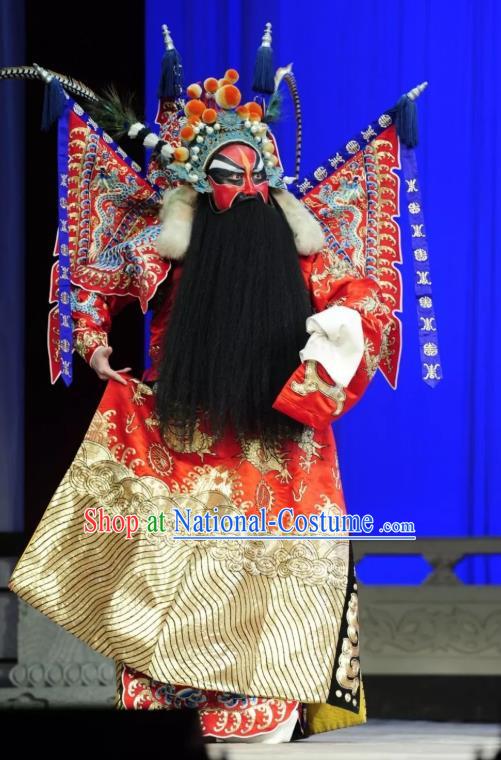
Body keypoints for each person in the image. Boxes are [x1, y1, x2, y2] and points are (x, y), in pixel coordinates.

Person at [6, 22, 418, 743]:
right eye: (228, 178)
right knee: (176, 582)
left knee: (276, 593)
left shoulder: (300, 258)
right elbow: (90, 284)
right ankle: (203, 718)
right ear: (199, 187)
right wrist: (95, 343)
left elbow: (365, 299)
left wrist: (343, 329)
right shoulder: (164, 254)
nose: (245, 190)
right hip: (182, 437)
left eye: (257, 178)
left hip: (282, 447)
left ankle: (266, 716)